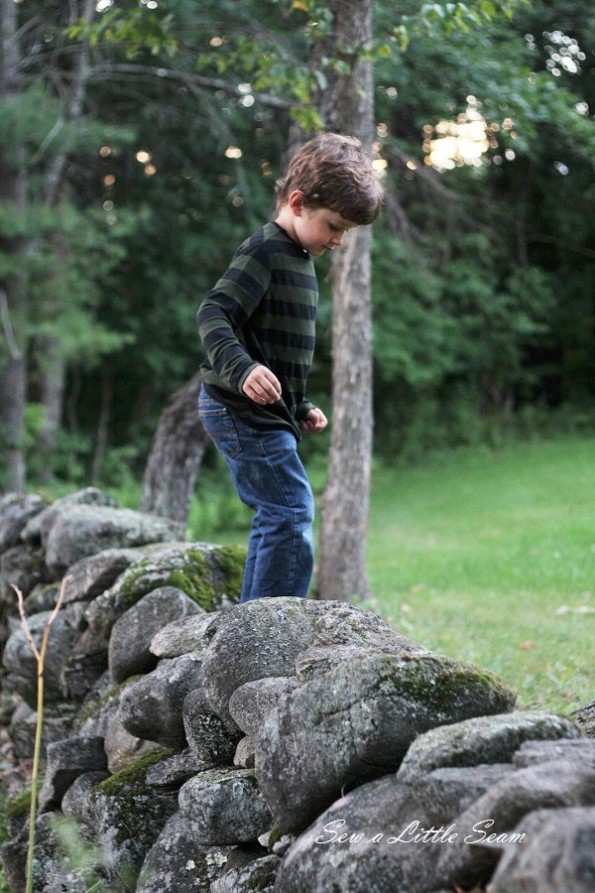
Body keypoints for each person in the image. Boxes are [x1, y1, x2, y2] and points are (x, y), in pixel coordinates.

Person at [197, 132, 383, 602]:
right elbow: (214, 313)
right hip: (236, 406)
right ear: (297, 202)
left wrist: (297, 406)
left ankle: (254, 621)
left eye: (346, 232)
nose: (339, 240)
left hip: (265, 411)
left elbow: (276, 346)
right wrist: (241, 370)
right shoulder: (265, 250)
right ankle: (275, 629)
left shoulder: (301, 256)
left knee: (277, 512)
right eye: (335, 226)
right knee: (290, 509)